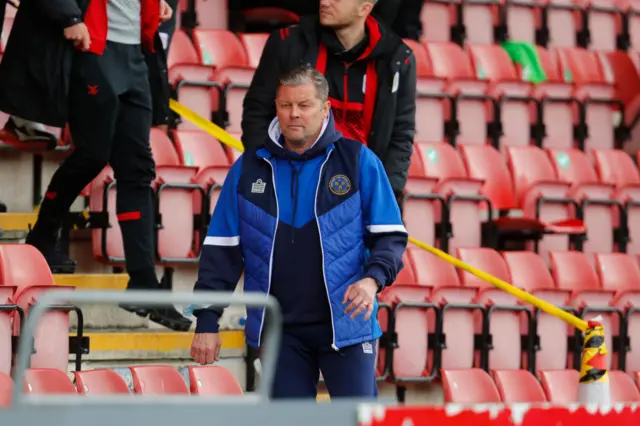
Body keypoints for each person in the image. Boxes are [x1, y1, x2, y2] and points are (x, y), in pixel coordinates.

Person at [188, 66, 407, 398]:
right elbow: (222, 250)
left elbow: (389, 236)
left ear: (325, 108)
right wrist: (207, 321)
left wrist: (372, 279)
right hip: (279, 332)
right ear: (276, 106)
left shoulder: (358, 161)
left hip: (346, 327)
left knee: (358, 422)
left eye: (304, 105)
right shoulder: (248, 168)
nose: (294, 114)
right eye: (285, 105)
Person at [0, 0, 191, 331]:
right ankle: (44, 232)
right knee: (94, 153)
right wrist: (69, 16)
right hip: (94, 48)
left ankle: (144, 282)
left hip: (137, 54)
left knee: (138, 170)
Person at [241, 0, 416, 201]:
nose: (324, 2)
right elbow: (257, 114)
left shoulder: (398, 59)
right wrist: (268, 174)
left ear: (364, 8)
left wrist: (385, 196)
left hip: (360, 198)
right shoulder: (287, 43)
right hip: (292, 190)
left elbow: (402, 134)